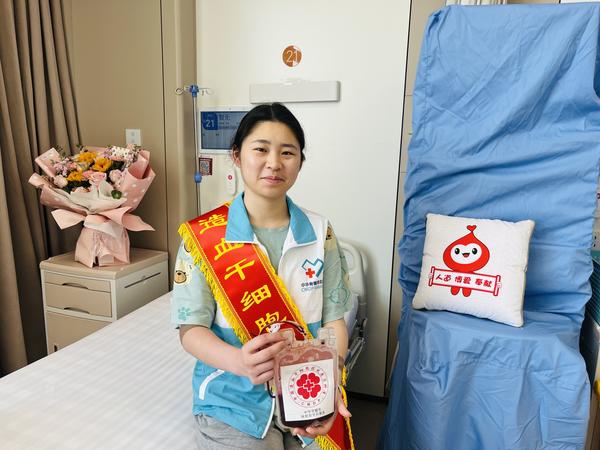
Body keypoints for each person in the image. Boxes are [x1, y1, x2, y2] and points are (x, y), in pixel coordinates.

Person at [171, 103, 353, 450]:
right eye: (261, 149)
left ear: (300, 161)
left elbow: (334, 321)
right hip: (232, 401)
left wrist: (331, 381)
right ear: (237, 156)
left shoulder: (321, 232)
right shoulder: (203, 237)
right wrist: (239, 361)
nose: (274, 163)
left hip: (307, 390)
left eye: (287, 152)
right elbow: (190, 330)